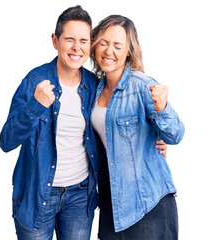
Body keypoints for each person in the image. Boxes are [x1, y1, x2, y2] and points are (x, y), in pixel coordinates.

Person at [0, 5, 168, 240]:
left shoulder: (94, 86)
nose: (76, 47)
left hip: (79, 199)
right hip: (36, 196)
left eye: (83, 40)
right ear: (55, 40)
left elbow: (108, 128)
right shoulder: (34, 81)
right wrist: (35, 106)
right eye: (69, 39)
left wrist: (150, 140)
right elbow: (6, 141)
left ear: (90, 45)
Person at [90, 15, 185, 240]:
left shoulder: (141, 86)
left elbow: (176, 134)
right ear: (94, 45)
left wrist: (162, 109)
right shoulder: (94, 89)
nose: (108, 51)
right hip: (112, 204)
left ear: (129, 51)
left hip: (148, 204)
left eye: (117, 45)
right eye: (103, 43)